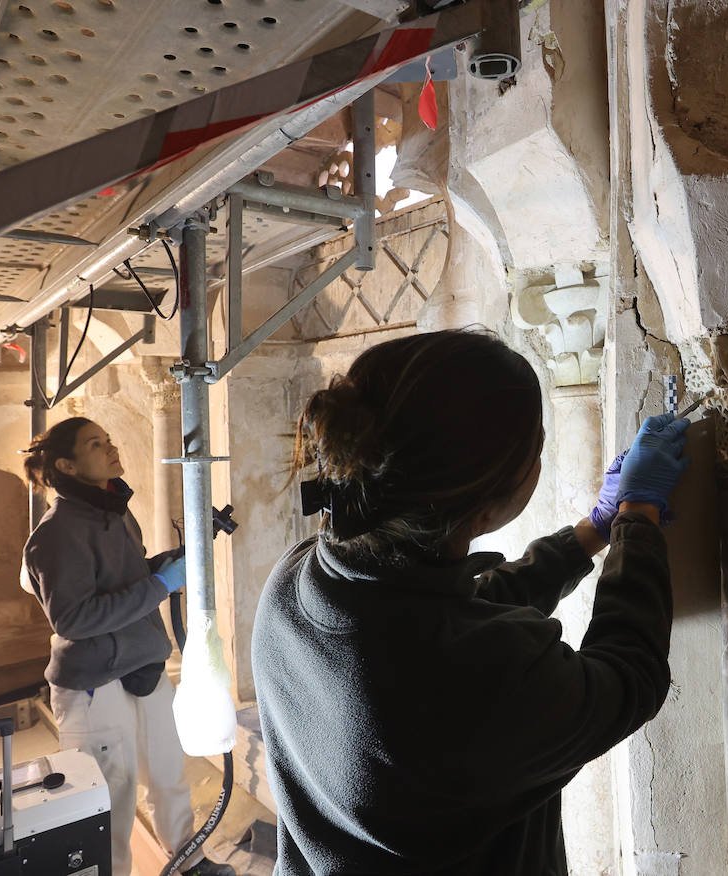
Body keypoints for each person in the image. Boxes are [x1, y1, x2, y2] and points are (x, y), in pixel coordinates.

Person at [251, 330, 690, 875]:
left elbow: (453, 619)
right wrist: (637, 520)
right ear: (483, 511)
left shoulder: (297, 581)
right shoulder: (474, 676)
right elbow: (628, 677)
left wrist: (590, 532)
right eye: (537, 446)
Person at [22, 417, 235, 876]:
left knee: (168, 775)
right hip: (94, 684)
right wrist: (160, 584)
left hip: (142, 662)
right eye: (95, 444)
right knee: (110, 796)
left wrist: (169, 564)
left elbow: (129, 577)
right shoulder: (57, 533)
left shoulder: (115, 509)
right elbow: (74, 619)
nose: (111, 447)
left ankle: (187, 859)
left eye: (109, 439)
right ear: (68, 465)